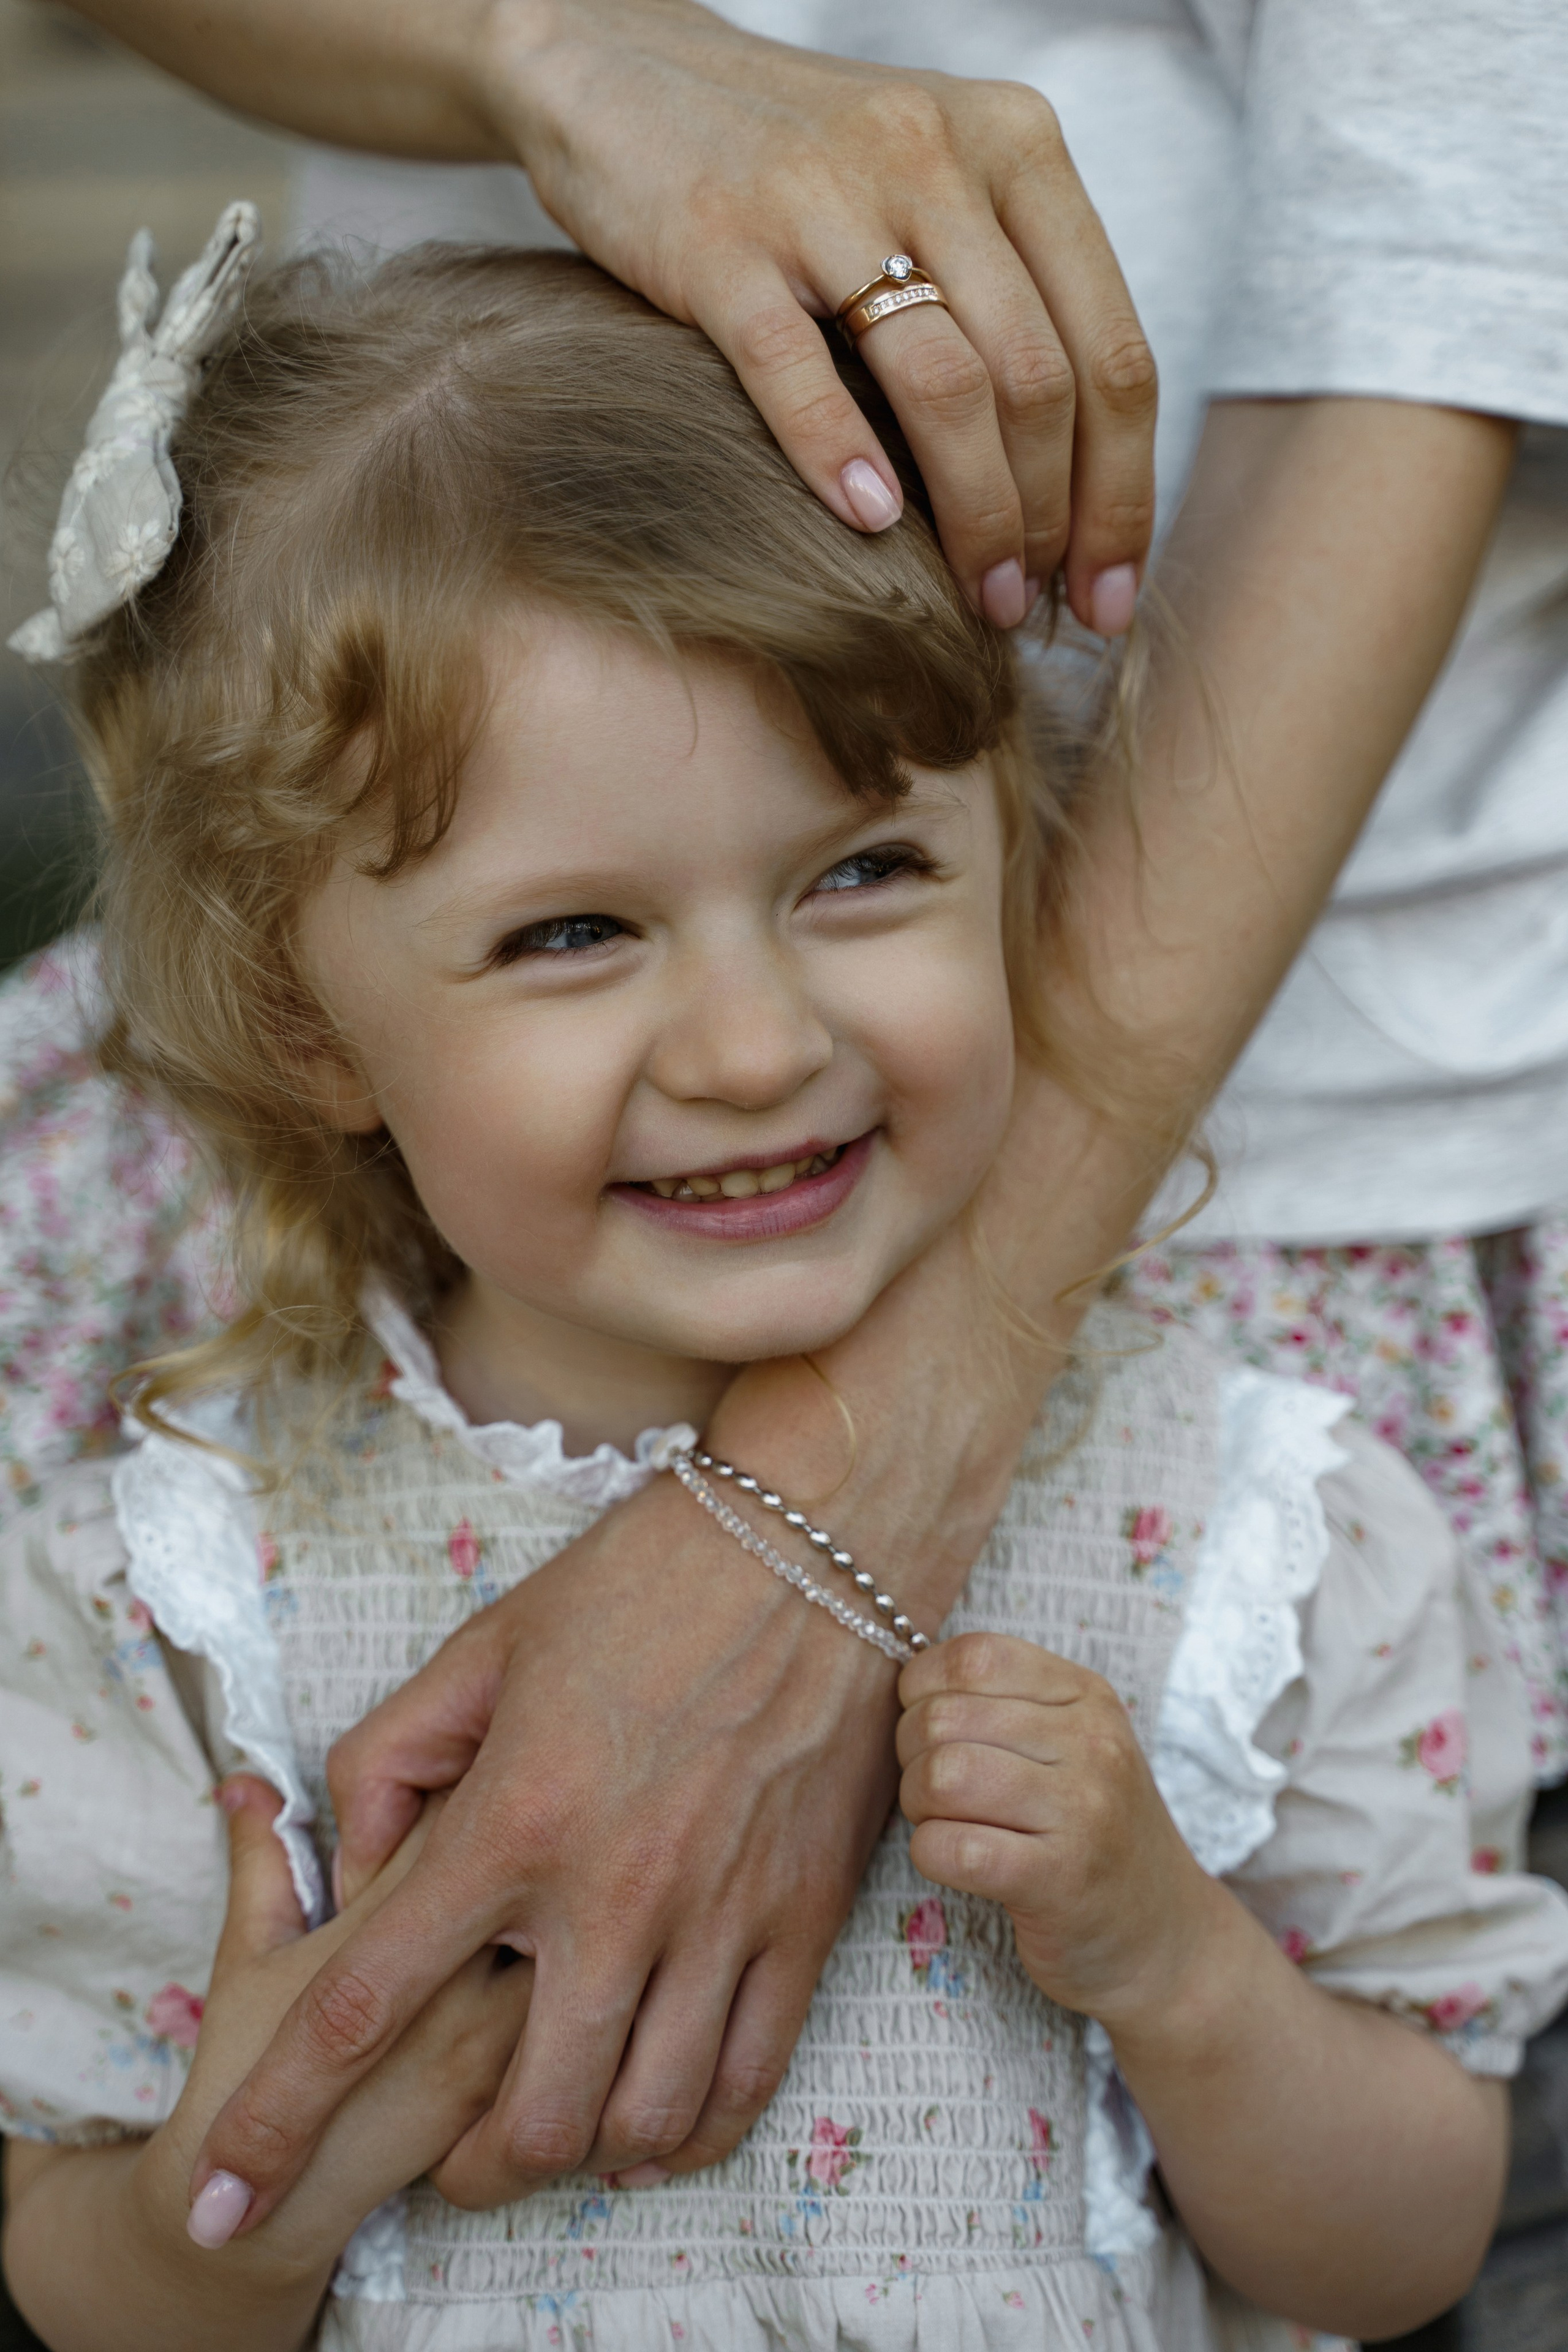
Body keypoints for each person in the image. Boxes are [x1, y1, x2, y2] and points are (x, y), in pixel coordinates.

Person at [0, 0, 1528, 2232]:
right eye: (571, 939)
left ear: (1015, 849)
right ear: (296, 1023)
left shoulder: (1252, 1525)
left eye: (865, 872)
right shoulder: (159, 1587)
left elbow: (1406, 2242)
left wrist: (1179, 1970)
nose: (745, 1047)